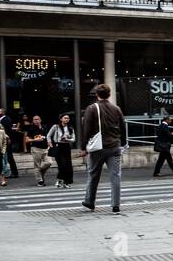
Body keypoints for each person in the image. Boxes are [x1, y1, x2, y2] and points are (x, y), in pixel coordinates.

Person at [80, 84, 125, 213]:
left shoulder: (92, 108)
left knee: (93, 175)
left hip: (97, 148)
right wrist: (122, 143)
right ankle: (115, 205)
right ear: (109, 94)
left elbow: (87, 129)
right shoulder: (116, 109)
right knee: (115, 176)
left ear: (97, 94)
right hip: (114, 146)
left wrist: (84, 147)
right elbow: (123, 127)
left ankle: (90, 201)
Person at [47, 113, 76, 187]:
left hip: (66, 146)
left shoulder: (70, 128)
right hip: (58, 146)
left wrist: (67, 139)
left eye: (68, 118)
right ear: (61, 119)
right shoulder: (55, 127)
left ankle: (66, 182)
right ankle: (60, 180)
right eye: (65, 118)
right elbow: (48, 135)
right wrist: (50, 143)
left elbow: (73, 139)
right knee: (62, 165)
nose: (66, 119)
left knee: (68, 165)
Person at [23, 114, 52, 186]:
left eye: (37, 119)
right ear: (33, 121)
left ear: (40, 120)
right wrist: (35, 139)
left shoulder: (45, 127)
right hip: (36, 148)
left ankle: (39, 173)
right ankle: (40, 181)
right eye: (34, 119)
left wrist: (49, 143)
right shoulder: (31, 129)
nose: (36, 121)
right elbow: (27, 140)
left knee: (49, 162)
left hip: (46, 148)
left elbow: (48, 136)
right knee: (37, 165)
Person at [0, 108, 19, 178]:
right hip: (4, 139)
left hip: (6, 140)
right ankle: (11, 172)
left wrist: (8, 138)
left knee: (9, 157)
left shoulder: (6, 119)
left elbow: (7, 130)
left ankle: (14, 173)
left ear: (3, 112)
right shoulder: (1, 119)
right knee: (7, 157)